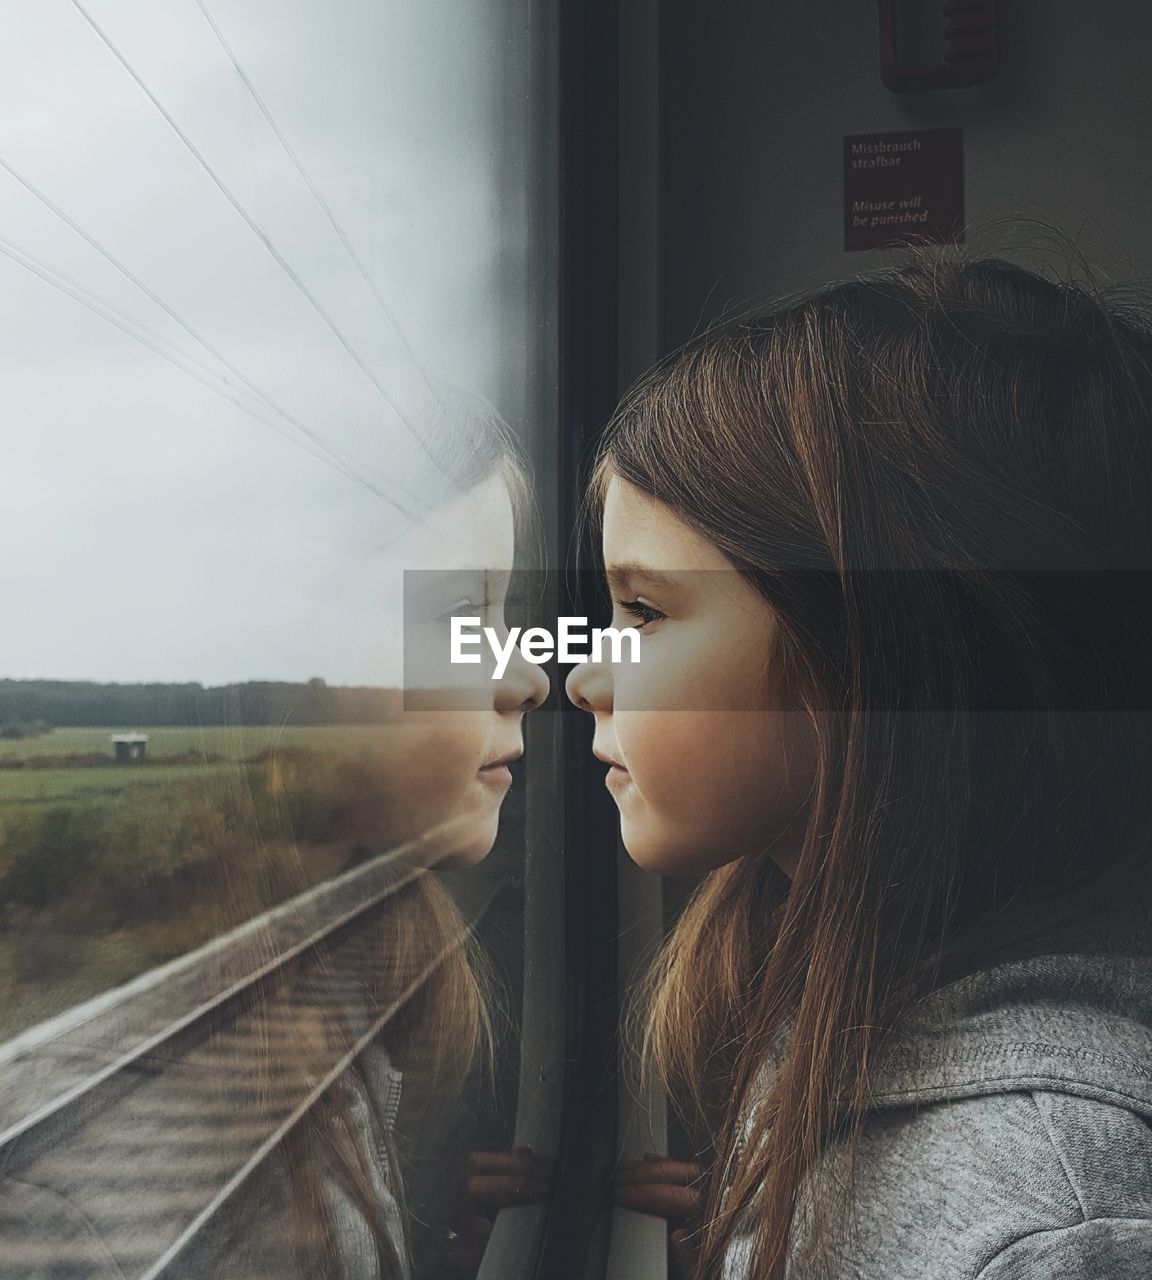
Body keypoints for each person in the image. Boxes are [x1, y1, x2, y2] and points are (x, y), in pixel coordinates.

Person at [566, 247, 1152, 1279]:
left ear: (873, 658)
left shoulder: (1047, 1216)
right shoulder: (849, 1005)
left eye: (644, 610)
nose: (582, 677)